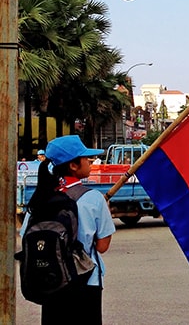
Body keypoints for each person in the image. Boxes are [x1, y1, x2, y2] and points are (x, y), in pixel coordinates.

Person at [20, 135, 115, 324]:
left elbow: (26, 236)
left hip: (52, 280)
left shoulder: (41, 198)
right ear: (73, 165)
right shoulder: (94, 198)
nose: (90, 162)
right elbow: (103, 245)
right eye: (86, 159)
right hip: (86, 281)